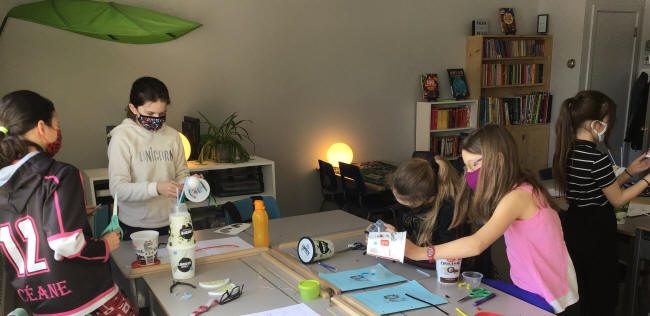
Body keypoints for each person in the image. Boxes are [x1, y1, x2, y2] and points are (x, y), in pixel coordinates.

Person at [385, 125, 578, 314]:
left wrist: (417, 252)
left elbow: (476, 244)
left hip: (547, 297)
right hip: (528, 288)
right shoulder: (509, 191)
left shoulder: (519, 197)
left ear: (499, 160)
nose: (469, 173)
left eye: (475, 164)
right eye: (466, 166)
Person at [0, 90, 135, 315]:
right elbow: (66, 243)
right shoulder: (59, 175)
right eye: (57, 124)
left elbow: (27, 219)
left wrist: (75, 212)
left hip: (38, 302)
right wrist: (105, 245)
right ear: (42, 128)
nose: (59, 130)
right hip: (84, 296)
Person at [552, 90, 650, 316]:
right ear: (594, 125)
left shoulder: (568, 151)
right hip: (596, 230)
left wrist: (630, 173)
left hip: (575, 225)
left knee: (581, 287)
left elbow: (598, 187)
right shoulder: (597, 157)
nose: (609, 127)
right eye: (607, 122)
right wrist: (646, 179)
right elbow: (616, 199)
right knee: (601, 292)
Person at [108, 77, 189, 239]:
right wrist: (156, 188)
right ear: (133, 108)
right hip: (136, 225)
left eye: (162, 113)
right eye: (150, 113)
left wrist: (189, 185)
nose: (156, 119)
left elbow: (182, 173)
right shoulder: (122, 137)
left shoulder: (173, 136)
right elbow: (117, 189)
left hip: (173, 219)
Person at [387, 156, 494, 275]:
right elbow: (412, 237)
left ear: (429, 199)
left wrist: (404, 254)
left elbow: (452, 262)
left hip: (458, 277)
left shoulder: (449, 211)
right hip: (423, 271)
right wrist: (394, 237)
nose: (401, 204)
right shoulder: (411, 196)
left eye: (409, 204)